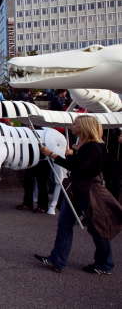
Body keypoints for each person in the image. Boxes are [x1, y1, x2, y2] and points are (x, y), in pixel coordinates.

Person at [36, 116, 118, 275]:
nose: (72, 126)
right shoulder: (90, 145)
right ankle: (57, 260)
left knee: (95, 229)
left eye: (75, 124)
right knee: (66, 225)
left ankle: (105, 264)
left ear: (84, 127)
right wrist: (73, 153)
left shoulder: (93, 147)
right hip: (79, 190)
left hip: (86, 192)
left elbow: (81, 169)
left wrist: (53, 154)